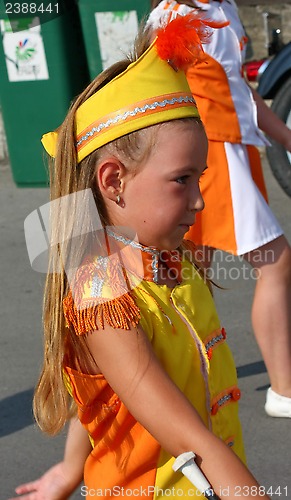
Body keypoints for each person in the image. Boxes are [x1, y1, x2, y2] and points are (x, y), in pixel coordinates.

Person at [12, 14, 271, 500]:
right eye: (182, 179)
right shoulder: (101, 299)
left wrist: (71, 467)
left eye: (201, 177)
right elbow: (194, 444)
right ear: (113, 181)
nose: (200, 199)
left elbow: (116, 386)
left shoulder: (175, 259)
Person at [148, 0, 291, 418]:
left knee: (194, 272)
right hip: (210, 154)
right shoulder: (172, 15)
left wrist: (285, 136)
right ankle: (281, 388)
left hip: (235, 152)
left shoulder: (222, 5)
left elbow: (238, 87)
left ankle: (188, 381)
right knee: (274, 263)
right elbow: (155, 89)